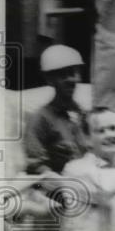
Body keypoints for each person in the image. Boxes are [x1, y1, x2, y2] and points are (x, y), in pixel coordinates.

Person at [23, 44, 87, 175]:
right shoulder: (40, 118)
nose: (71, 79)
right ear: (49, 79)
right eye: (63, 75)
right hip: (62, 184)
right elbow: (34, 164)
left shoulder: (84, 114)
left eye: (74, 73)